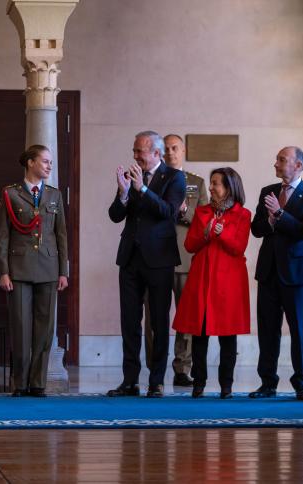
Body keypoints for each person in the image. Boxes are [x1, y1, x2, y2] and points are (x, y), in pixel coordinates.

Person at [107, 131, 186, 398]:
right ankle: (130, 381)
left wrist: (142, 189)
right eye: (134, 150)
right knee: (129, 320)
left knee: (160, 322)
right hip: (130, 257)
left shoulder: (175, 177)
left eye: (139, 151)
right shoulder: (131, 176)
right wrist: (123, 193)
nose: (135, 156)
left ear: (156, 153)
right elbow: (115, 216)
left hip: (160, 258)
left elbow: (168, 212)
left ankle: (156, 381)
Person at [0, 145, 69, 397]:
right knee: (21, 328)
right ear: (30, 163)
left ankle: (38, 383)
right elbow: (3, 236)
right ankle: (20, 383)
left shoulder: (54, 195)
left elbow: (61, 235)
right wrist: (3, 271)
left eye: (50, 162)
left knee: (45, 329)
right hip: (19, 269)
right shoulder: (10, 194)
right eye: (45, 161)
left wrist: (64, 271)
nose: (49, 166)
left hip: (49, 268)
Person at [172, 168, 251, 398]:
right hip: (202, 280)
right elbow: (189, 245)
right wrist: (206, 233)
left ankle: (226, 386)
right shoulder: (202, 211)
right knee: (200, 334)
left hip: (228, 284)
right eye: (212, 183)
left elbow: (238, 247)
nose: (212, 187)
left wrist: (221, 233)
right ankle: (199, 384)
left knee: (228, 337)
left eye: (216, 183)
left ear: (229, 188)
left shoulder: (242, 214)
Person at [249, 146, 303, 401]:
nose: (275, 163)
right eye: (277, 158)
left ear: (298, 165)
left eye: (281, 159)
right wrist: (269, 219)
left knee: (299, 330)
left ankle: (301, 384)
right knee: (267, 330)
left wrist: (279, 213)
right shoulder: (268, 191)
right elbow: (256, 229)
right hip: (269, 271)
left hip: (298, 273)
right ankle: (267, 383)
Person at [143, 133, 208, 387]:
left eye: (175, 148)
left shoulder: (195, 182)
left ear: (183, 151)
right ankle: (154, 367)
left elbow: (202, 219)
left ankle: (182, 367)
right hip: (155, 257)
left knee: (186, 318)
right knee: (153, 318)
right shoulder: (152, 180)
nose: (170, 153)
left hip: (184, 259)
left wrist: (183, 211)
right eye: (167, 148)